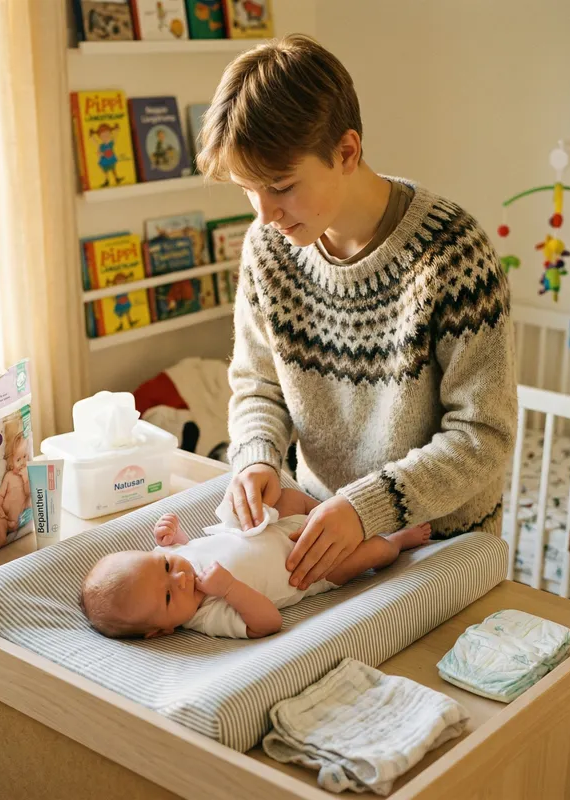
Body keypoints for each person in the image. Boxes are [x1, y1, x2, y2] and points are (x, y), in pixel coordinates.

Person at [195, 34, 517, 593]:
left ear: (345, 152)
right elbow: (258, 385)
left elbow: (482, 434)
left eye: (281, 187)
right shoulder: (268, 248)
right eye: (249, 191)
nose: (265, 213)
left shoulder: (453, 254)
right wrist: (256, 459)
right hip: (323, 537)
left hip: (441, 548)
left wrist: (368, 507)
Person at [80, 489, 431, 639]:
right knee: (374, 554)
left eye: (165, 565)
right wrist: (229, 589)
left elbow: (198, 549)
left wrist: (176, 539)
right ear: (160, 630)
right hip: (315, 567)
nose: (181, 579)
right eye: (169, 598)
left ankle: (332, 509)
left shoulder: (179, 561)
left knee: (287, 496)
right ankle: (399, 540)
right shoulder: (208, 614)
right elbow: (268, 622)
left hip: (278, 529)